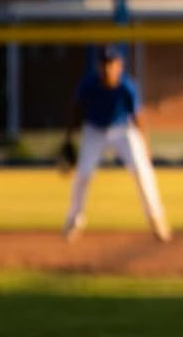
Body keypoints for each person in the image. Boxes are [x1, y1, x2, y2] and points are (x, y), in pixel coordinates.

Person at [61, 44, 171, 242]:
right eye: (104, 64)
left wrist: (145, 146)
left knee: (142, 172)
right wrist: (69, 139)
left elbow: (138, 117)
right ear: (98, 66)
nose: (107, 68)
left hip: (123, 130)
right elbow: (75, 109)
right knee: (83, 175)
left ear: (119, 66)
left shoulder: (127, 87)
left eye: (111, 64)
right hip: (94, 130)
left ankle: (156, 219)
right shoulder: (88, 84)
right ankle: (74, 221)